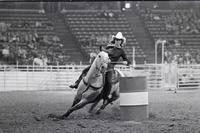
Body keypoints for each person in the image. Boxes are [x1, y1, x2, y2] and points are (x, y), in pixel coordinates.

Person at [69, 32, 131, 100]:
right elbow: (103, 52)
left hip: (109, 68)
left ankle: (105, 96)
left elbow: (128, 61)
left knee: (109, 82)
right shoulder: (110, 46)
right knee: (85, 70)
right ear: (114, 40)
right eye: (116, 39)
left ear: (121, 41)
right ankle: (77, 83)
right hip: (101, 64)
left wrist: (126, 62)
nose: (117, 41)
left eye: (119, 40)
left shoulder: (121, 51)